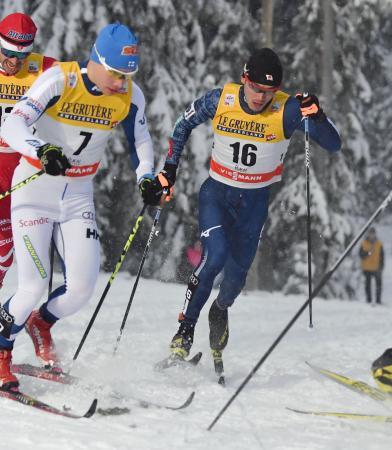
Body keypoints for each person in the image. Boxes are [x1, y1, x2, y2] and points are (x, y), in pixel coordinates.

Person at [143, 48, 342, 373]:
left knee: (235, 281)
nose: (262, 97)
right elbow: (182, 124)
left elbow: (334, 144)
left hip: (254, 205)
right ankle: (184, 333)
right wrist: (169, 171)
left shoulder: (288, 109)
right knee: (214, 257)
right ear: (244, 79)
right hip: (217, 196)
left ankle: (219, 309)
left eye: (269, 91)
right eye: (255, 88)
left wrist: (317, 116)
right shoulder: (222, 99)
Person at [0, 23, 155, 390]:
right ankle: (2, 350)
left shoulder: (129, 95)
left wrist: (147, 177)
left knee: (82, 289)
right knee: (32, 285)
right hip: (35, 190)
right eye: (116, 74)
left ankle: (41, 323)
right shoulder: (60, 80)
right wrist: (42, 149)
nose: (120, 83)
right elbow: (14, 124)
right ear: (97, 61)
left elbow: (141, 140)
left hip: (77, 195)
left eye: (127, 75)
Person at [0, 12, 56, 290]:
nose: (14, 62)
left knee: (6, 250)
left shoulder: (44, 68)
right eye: (7, 53)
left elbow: (83, 82)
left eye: (21, 56)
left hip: (24, 166)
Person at [359, 227, 384, 304]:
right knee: (367, 285)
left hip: (377, 268)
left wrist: (381, 266)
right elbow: (361, 255)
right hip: (367, 268)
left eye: (373, 233)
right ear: (368, 234)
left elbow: (382, 256)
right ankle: (369, 300)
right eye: (370, 233)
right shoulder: (364, 243)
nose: (372, 235)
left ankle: (378, 300)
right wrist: (368, 253)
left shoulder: (379, 244)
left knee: (378, 285)